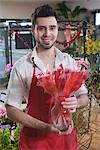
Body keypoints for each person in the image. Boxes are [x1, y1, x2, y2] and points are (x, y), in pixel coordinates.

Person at [5, 4, 89, 150]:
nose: (47, 33)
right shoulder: (22, 66)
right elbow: (11, 109)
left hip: (65, 139)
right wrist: (47, 127)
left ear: (57, 29)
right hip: (35, 140)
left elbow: (84, 97)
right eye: (41, 28)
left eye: (52, 28)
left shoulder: (68, 61)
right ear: (33, 30)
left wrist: (76, 102)